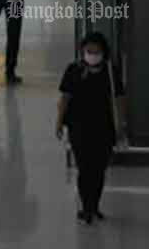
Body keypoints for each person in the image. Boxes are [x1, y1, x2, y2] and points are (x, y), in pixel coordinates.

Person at [56, 31, 127, 224]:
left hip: (104, 128)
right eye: (89, 51)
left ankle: (94, 205)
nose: (92, 55)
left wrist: (120, 124)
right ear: (82, 51)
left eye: (96, 51)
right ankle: (87, 208)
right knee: (85, 168)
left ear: (104, 52)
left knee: (98, 170)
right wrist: (59, 122)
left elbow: (119, 100)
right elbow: (64, 98)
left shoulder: (111, 72)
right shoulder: (73, 70)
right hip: (79, 128)